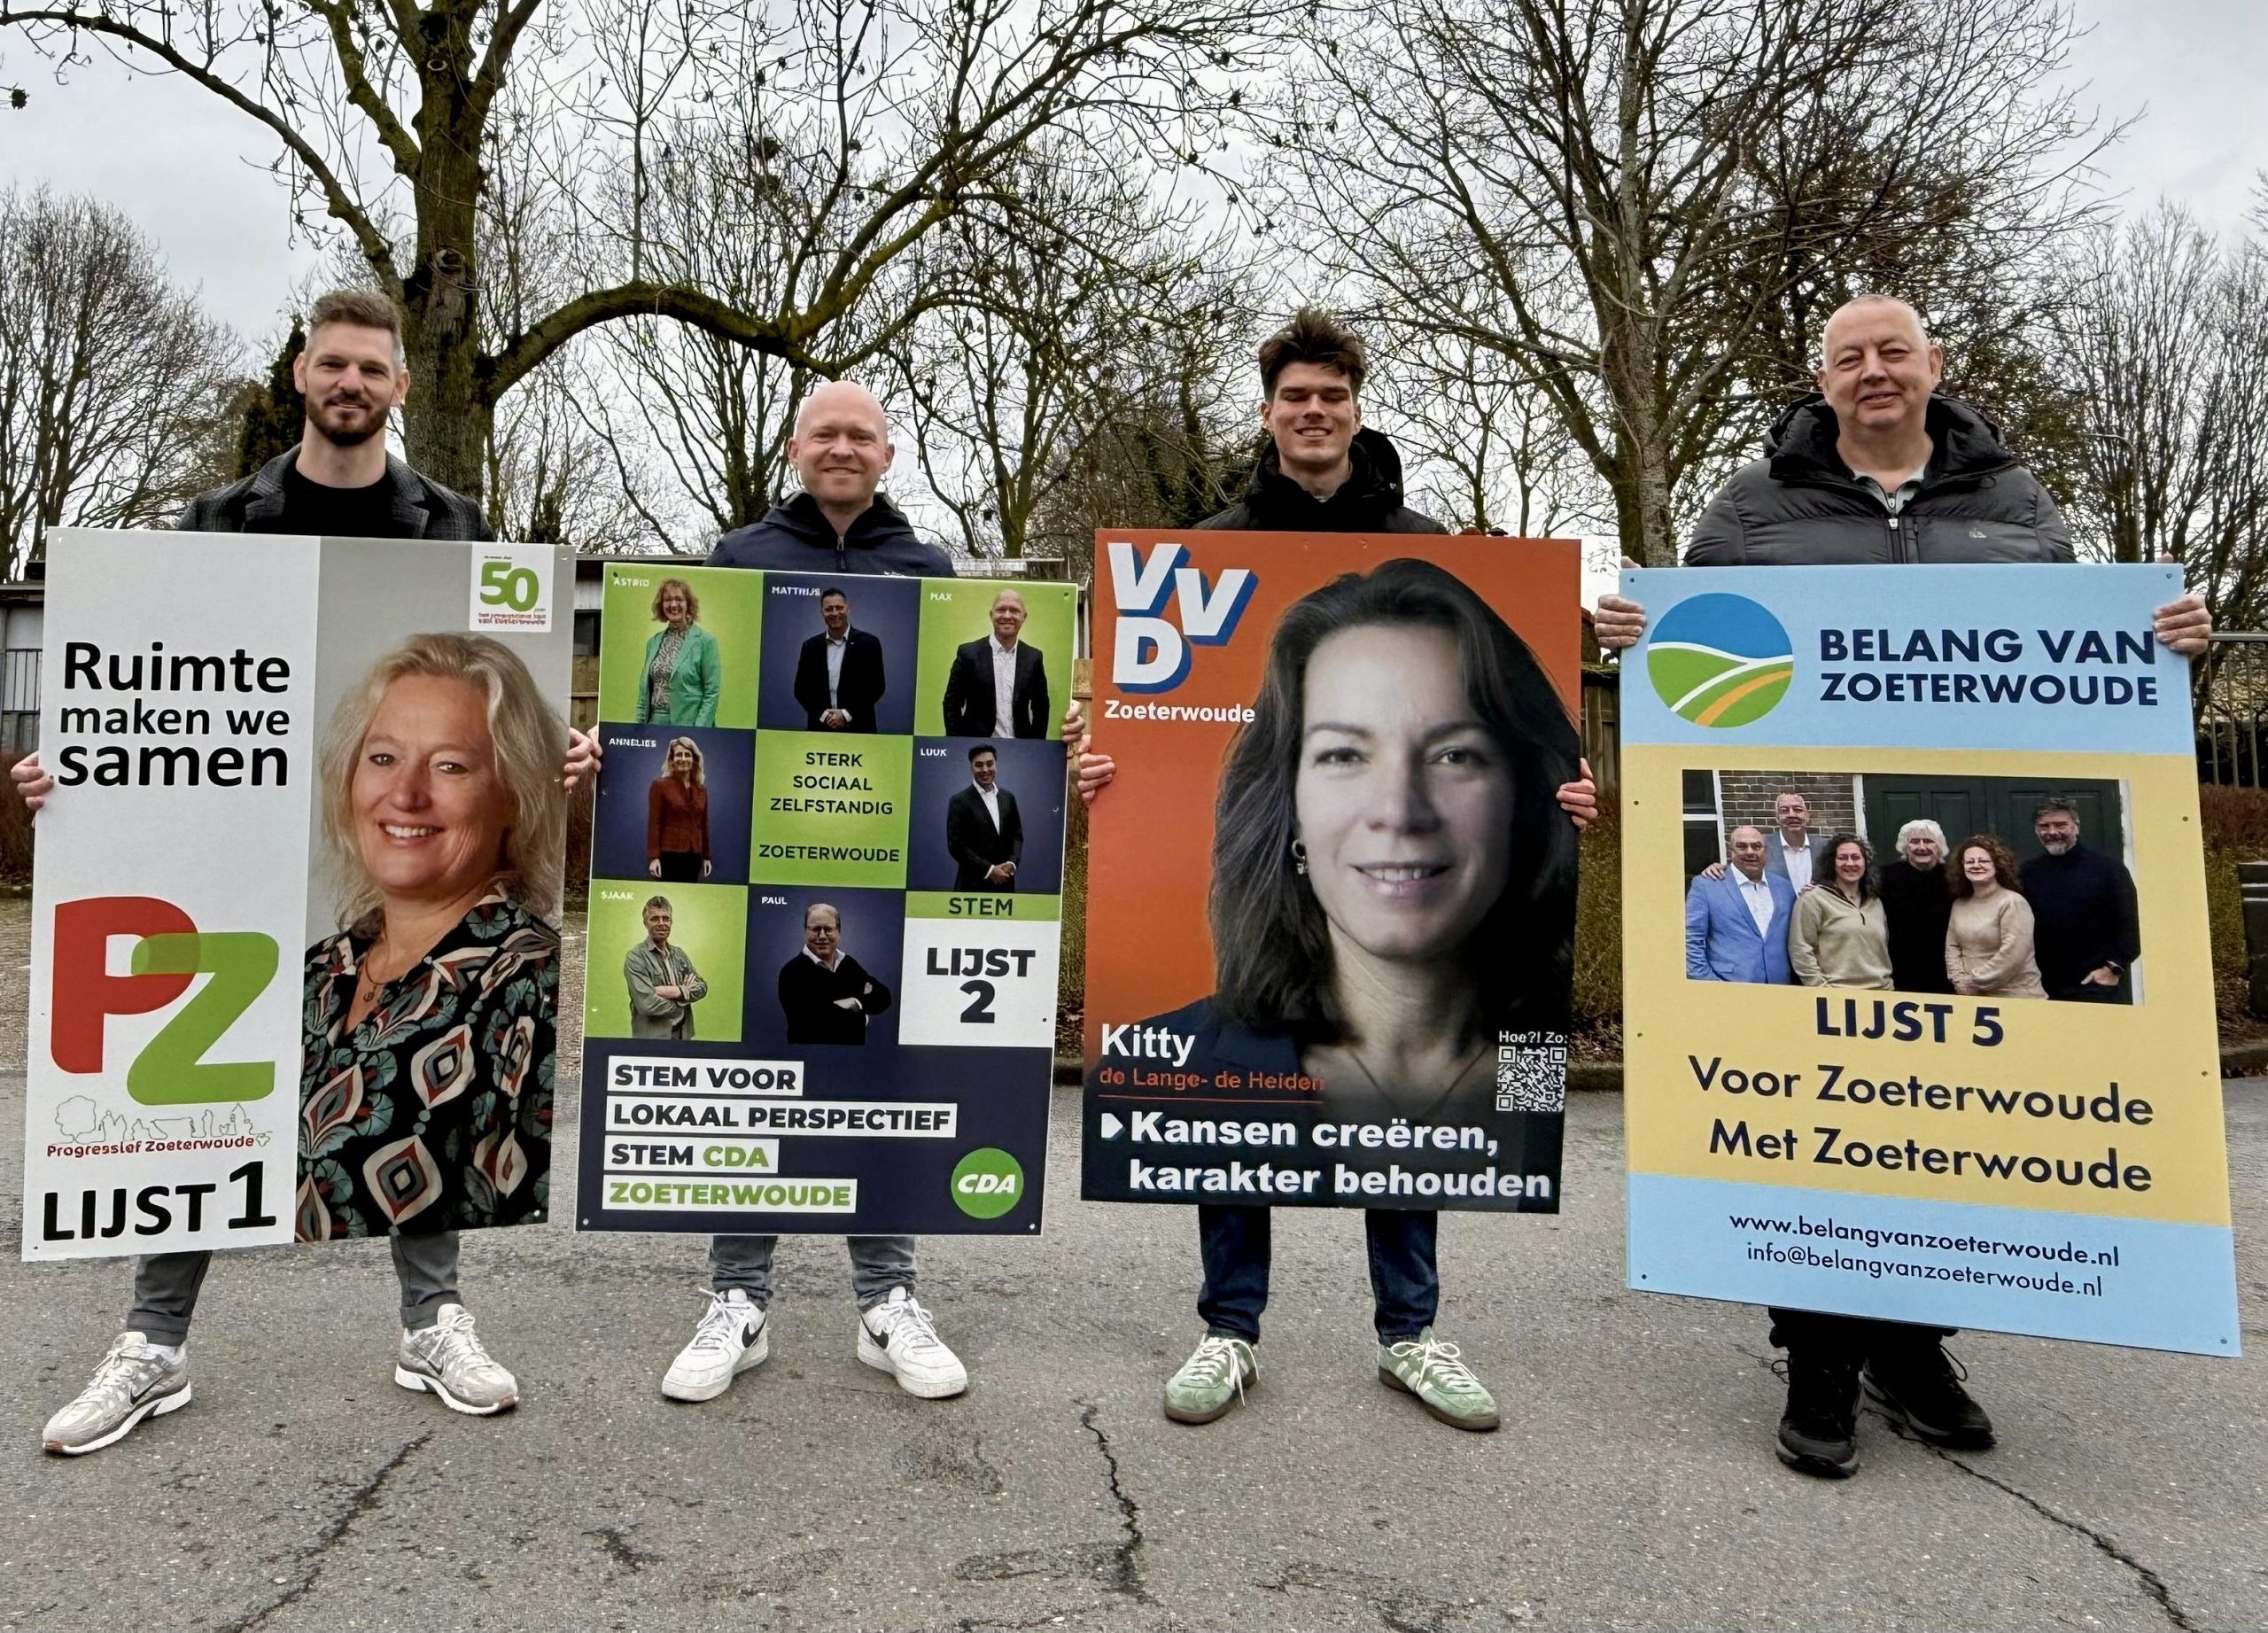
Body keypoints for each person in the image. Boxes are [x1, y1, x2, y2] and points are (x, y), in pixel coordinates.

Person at [1588, 292, 2212, 1482]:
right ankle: (1819, 1355)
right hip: (1816, 975)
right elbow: (1681, 650)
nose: (1872, 371)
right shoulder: (1752, 508)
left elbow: (2091, 657)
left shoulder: (2014, 504)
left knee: (1934, 1130)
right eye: (1846, 357)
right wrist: (1631, 630)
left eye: (1892, 351)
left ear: (1933, 365)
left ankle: (1913, 1348)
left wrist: (2170, 637)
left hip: (1927, 960)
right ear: (1820, 381)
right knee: (1821, 1134)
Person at [22, 291, 578, 1458]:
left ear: (395, 389)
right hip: (227, 853)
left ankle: (434, 1318)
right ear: (299, 372)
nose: (351, 383)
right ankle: (153, 1341)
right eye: (332, 363)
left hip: (380, 859)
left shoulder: (452, 528)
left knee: (427, 1058)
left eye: (372, 368)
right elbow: (147, 679)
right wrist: (75, 771)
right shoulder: (219, 518)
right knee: (195, 1088)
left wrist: (560, 748)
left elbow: (495, 705)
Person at [649, 380, 1099, 1405]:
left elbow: (940, 717)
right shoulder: (740, 559)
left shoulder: (925, 568)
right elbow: (741, 712)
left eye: (862, 434)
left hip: (887, 855)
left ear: (888, 453)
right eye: (826, 433)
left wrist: (1048, 742)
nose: (843, 447)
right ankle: (738, 1300)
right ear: (796, 448)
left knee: (877, 1067)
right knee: (759, 1064)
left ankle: (886, 1302)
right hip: (774, 840)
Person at [1141, 558, 1580, 1435]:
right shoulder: (1180, 1051)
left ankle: (1408, 1334)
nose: (1399, 809)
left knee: (1405, 1101)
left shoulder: (1528, 1052)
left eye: (1454, 753)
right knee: (1237, 1142)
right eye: (1344, 753)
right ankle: (1229, 1329)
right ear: (1289, 807)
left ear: (1517, 794)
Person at [2018, 800, 2140, 1004]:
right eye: (2044, 826)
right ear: (2036, 830)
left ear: (2076, 826)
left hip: (2097, 988)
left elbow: (2132, 925)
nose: (2052, 831)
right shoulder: (2028, 872)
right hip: (2044, 990)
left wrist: (2113, 969)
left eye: (2060, 825)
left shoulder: (2109, 870)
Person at [1685, 827, 1796, 984]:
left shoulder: (1785, 888)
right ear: (1731, 851)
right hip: (1729, 988)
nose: (1750, 852)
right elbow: (1690, 941)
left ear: (1766, 851)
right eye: (1742, 846)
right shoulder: (1706, 886)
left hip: (1780, 988)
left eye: (1757, 846)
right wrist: (1709, 984)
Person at [777, 903, 892, 1046]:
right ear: (805, 931)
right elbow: (814, 1024)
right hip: (810, 1058)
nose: (822, 936)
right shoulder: (792, 973)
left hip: (853, 1059)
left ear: (838, 931)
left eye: (828, 929)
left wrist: (854, 1002)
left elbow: (883, 996)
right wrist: (862, 1015)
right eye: (815, 929)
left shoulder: (849, 964)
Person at [1946, 836, 2047, 998]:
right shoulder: (1959, 904)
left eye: (1983, 861)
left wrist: (1973, 982)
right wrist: (1959, 981)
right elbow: (1952, 947)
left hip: (2017, 998)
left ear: (1997, 865)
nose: (1976, 866)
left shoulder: (2013, 902)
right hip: (1972, 999)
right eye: (1970, 862)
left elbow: (2012, 955)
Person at [942, 589, 1051, 739]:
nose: (1007, 615)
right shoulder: (969, 654)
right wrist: (958, 744)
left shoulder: (1034, 657)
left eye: (1014, 611)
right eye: (1001, 609)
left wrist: (1036, 746)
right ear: (991, 615)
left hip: (1020, 749)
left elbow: (1041, 707)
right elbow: (951, 703)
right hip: (977, 748)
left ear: (1024, 617)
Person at [1789, 836, 1891, 990]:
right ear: (1832, 863)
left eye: (1856, 857)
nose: (1850, 863)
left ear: (1865, 863)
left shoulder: (1875, 902)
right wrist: (1821, 988)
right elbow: (1800, 948)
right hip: (1836, 995)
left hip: (1881, 993)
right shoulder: (1813, 899)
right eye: (1843, 858)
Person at [793, 586, 886, 733]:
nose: (835, 613)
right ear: (822, 612)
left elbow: (876, 687)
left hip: (860, 729)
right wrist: (825, 716)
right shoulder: (810, 647)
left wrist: (846, 715)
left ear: (847, 609)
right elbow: (801, 690)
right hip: (821, 729)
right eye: (829, 609)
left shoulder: (869, 643)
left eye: (839, 607)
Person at [1878, 820, 1955, 994]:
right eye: (1914, 842)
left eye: (1928, 841)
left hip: (1945, 968)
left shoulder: (1954, 876)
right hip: (1900, 966)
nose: (1922, 847)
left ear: (1939, 846)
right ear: (1905, 847)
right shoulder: (1885, 876)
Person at [636, 578, 720, 728]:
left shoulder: (705, 642)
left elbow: (711, 693)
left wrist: (699, 730)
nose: (673, 605)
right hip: (654, 726)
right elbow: (644, 693)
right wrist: (637, 728)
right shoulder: (653, 643)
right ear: (661, 605)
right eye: (667, 600)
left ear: (688, 604)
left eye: (679, 599)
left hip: (689, 726)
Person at [626, 896, 707, 1039]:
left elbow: (701, 987)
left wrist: (673, 992)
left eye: (666, 918)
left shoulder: (679, 954)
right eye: (655, 919)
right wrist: (684, 997)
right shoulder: (636, 957)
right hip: (651, 1037)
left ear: (671, 922)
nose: (661, 923)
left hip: (683, 1033)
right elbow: (646, 1004)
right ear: (645, 923)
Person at [945, 744, 1022, 891]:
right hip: (971, 886)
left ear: (996, 764)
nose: (985, 770)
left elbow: (1017, 836)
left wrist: (1012, 863)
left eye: (989, 764)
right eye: (979, 765)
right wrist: (990, 870)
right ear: (971, 768)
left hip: (1005, 885)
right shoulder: (958, 801)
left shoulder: (1008, 798)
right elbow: (956, 846)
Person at [647, 737, 711, 883]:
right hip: (669, 856)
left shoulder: (701, 789)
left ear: (694, 759)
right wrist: (654, 858)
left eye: (687, 755)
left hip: (694, 857)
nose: (683, 759)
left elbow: (704, 825)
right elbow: (654, 823)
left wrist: (706, 857)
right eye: (678, 755)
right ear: (671, 760)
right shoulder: (660, 785)